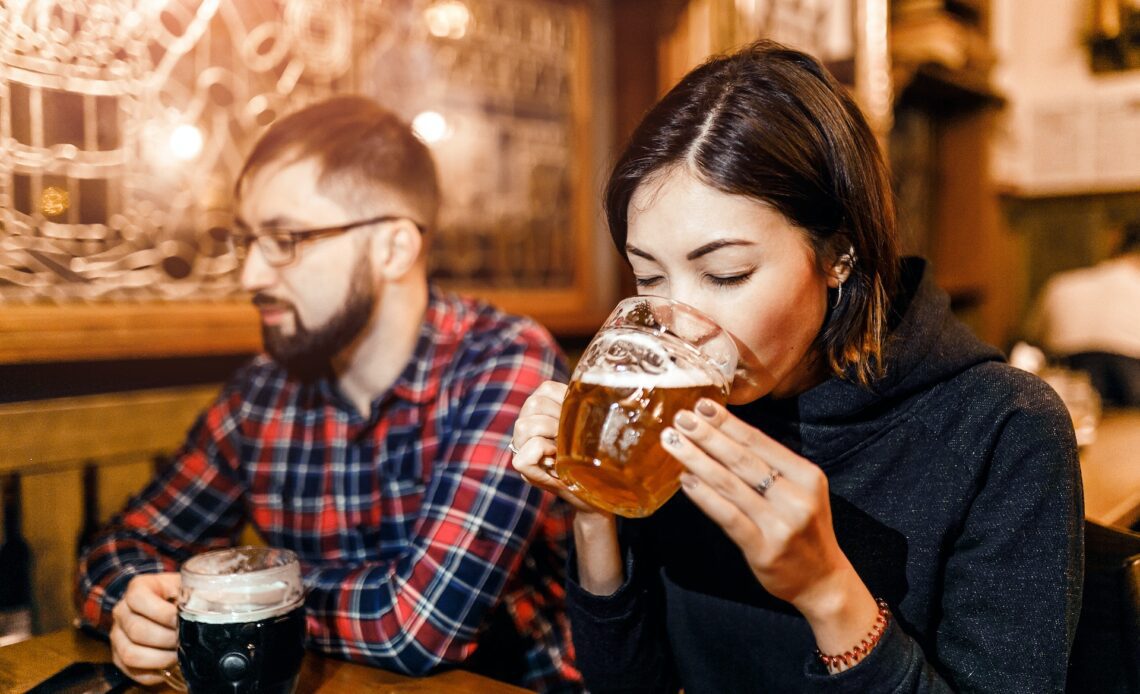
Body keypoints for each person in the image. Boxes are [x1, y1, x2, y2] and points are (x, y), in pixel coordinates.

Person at [511, 41, 1083, 692]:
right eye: (648, 276)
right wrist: (592, 510)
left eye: (725, 274)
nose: (678, 321)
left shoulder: (1004, 428)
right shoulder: (675, 411)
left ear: (839, 251)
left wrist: (827, 591)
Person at [76, 95, 582, 693]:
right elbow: (118, 549)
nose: (251, 276)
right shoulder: (262, 394)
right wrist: (137, 607)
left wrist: (234, 596)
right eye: (248, 241)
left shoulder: (503, 363)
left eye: (286, 237)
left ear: (392, 247)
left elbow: (418, 624)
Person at [1024, 222, 1140, 407]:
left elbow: (1030, 343)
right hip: (1132, 396)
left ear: (1113, 241)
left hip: (1067, 395)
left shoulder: (1060, 284)